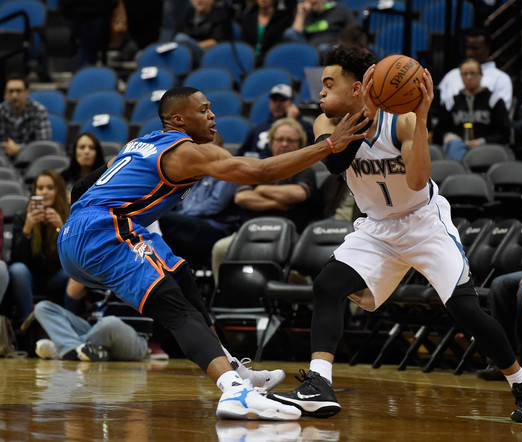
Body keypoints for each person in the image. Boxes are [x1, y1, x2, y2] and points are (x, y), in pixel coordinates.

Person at [266, 44, 522, 424]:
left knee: (463, 308)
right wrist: (357, 122)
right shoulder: (324, 124)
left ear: (358, 87)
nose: (319, 92)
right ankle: (319, 383)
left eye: (328, 84)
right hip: (377, 228)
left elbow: (416, 182)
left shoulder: (402, 122)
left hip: (423, 221)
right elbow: (334, 164)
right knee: (327, 286)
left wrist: (423, 115)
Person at [57, 86, 368, 420]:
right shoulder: (185, 152)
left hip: (76, 232)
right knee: (177, 310)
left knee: (179, 275)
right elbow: (260, 172)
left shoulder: (139, 142)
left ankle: (233, 367)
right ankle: (235, 391)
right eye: (203, 109)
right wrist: (329, 145)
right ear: (178, 119)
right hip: (105, 231)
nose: (212, 115)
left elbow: (80, 188)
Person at [211, 118, 316, 284]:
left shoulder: (305, 170)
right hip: (250, 231)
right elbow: (242, 197)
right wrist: (281, 203)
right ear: (271, 142)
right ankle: (226, 299)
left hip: (288, 234)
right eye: (280, 139)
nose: (284, 144)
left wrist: (261, 190)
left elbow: (298, 194)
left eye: (290, 140)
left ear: (300, 143)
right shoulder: (258, 168)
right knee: (220, 249)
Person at [7, 170, 70, 320]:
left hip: (55, 277)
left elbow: (72, 259)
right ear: (34, 191)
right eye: (40, 188)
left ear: (58, 191)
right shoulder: (22, 218)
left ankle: (70, 320)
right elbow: (17, 259)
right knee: (18, 270)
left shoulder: (67, 216)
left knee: (72, 273)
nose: (44, 193)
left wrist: (61, 230)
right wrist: (27, 230)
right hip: (29, 278)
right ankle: (27, 320)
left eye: (50, 188)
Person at [433, 58, 512, 161]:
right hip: (457, 147)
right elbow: (439, 131)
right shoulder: (451, 102)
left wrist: (482, 141)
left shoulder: (494, 101)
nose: (468, 77)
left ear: (481, 75)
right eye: (464, 74)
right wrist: (448, 136)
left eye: (472, 73)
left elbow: (504, 132)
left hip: (486, 148)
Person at [159, 176, 241, 268]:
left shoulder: (226, 174)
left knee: (162, 218)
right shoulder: (198, 174)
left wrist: (183, 214)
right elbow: (184, 202)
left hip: (216, 227)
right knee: (158, 217)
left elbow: (216, 205)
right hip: (190, 221)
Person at [33, 300, 148, 362]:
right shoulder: (94, 265)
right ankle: (77, 349)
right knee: (43, 307)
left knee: (110, 323)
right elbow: (71, 298)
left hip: (131, 337)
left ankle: (64, 348)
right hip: (92, 328)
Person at [438, 28, 513, 113]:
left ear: (487, 48)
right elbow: (441, 107)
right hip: (454, 123)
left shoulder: (501, 78)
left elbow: (502, 112)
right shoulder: (451, 75)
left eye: (475, 48)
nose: (470, 53)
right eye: (467, 48)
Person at [237, 84, 314, 159]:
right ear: (269, 103)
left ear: (292, 103)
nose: (277, 104)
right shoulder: (257, 129)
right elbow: (241, 155)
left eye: (282, 100)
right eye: (274, 100)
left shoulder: (305, 127)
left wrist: (291, 121)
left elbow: (306, 154)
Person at [282, 0, 357, 62]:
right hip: (310, 48)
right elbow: (294, 34)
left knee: (323, 48)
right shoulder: (306, 16)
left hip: (330, 47)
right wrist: (301, 14)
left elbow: (353, 31)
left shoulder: (340, 12)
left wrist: (340, 46)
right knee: (289, 33)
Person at [0, 74, 51, 160]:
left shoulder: (39, 111)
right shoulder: (1, 110)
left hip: (32, 160)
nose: (14, 96)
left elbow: (43, 145)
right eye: (11, 91)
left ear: (27, 92)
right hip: (5, 159)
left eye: (18, 91)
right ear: (6, 94)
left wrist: (19, 149)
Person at [173, 0, 233, 68]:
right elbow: (175, 35)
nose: (199, 1)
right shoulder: (188, 14)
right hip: (185, 53)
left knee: (181, 38)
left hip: (209, 54)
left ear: (212, 1)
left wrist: (194, 47)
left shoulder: (221, 16)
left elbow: (217, 41)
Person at [238, 0, 295, 65]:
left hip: (271, 62)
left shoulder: (282, 20)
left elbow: (279, 48)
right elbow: (243, 44)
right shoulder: (248, 17)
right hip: (249, 61)